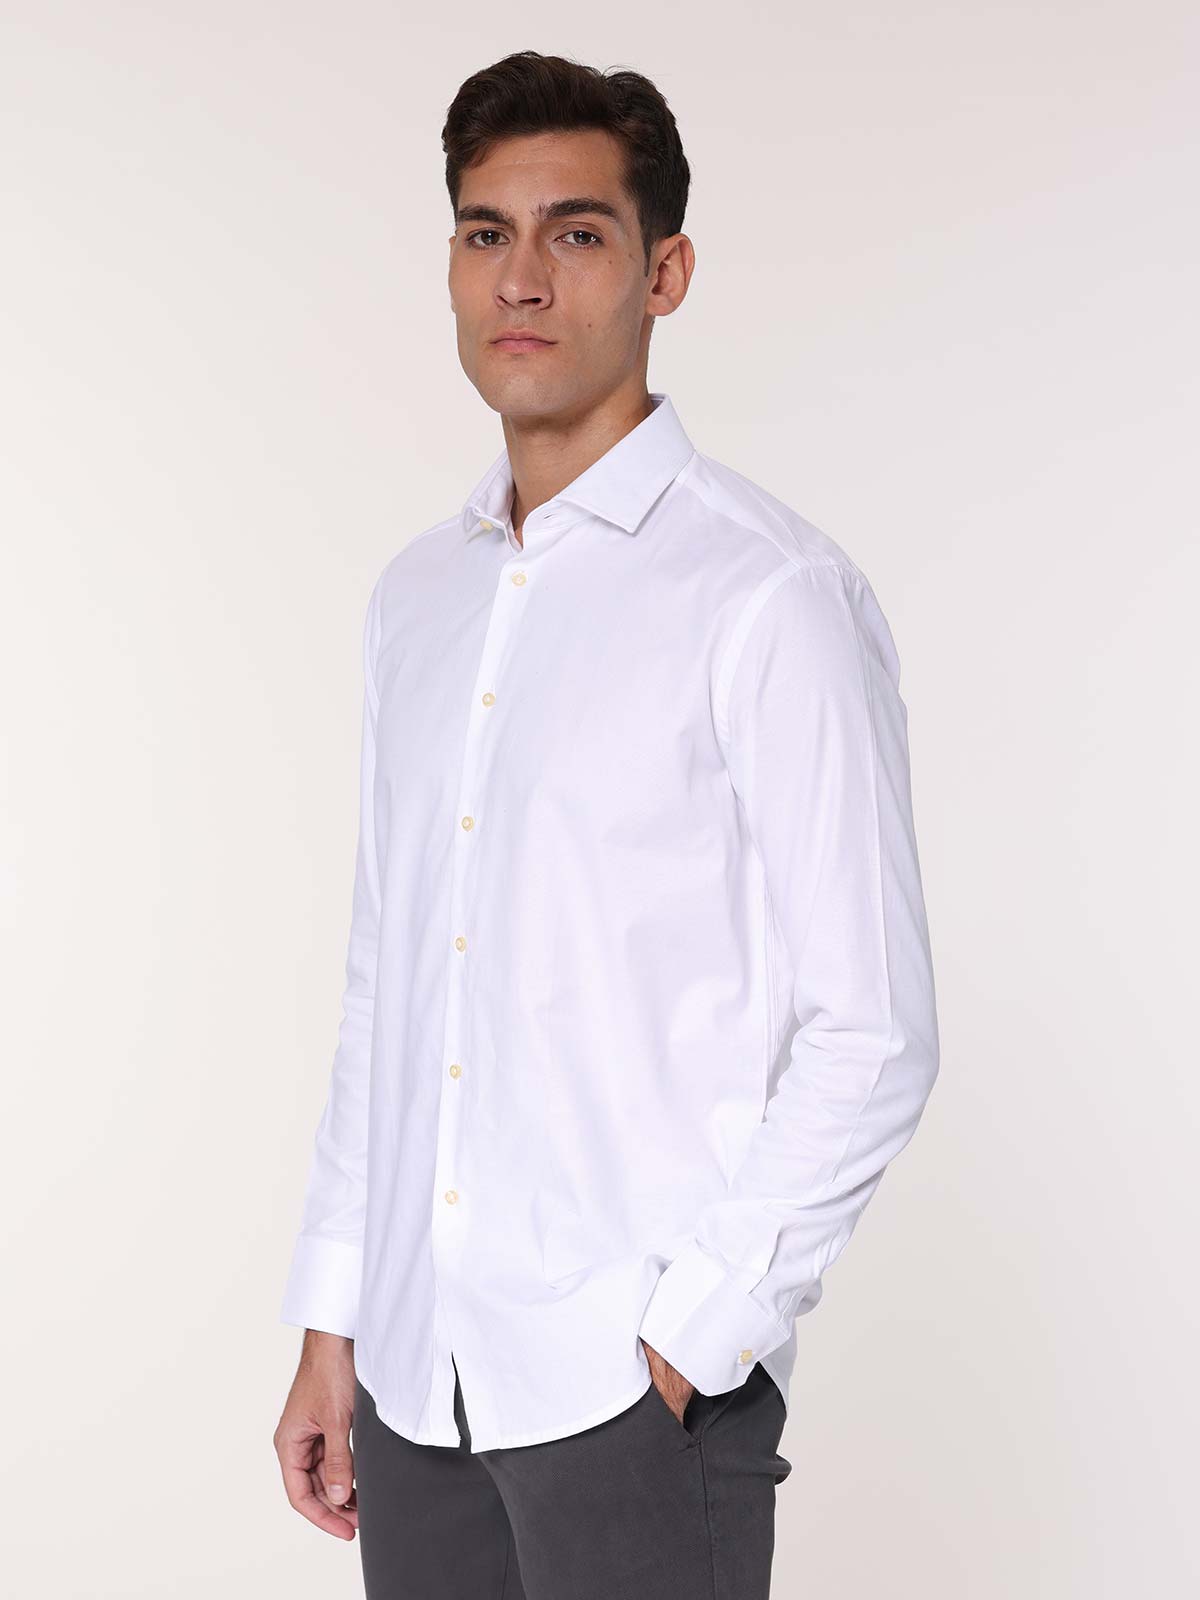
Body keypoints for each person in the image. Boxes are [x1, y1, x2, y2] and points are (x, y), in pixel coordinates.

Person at [273, 48, 940, 1600]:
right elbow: (391, 988)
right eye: (484, 232)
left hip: (627, 1395)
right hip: (418, 1380)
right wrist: (336, 1315)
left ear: (666, 272)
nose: (522, 278)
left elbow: (876, 1027)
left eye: (576, 233)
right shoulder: (416, 600)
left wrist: (696, 1335)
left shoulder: (768, 596)